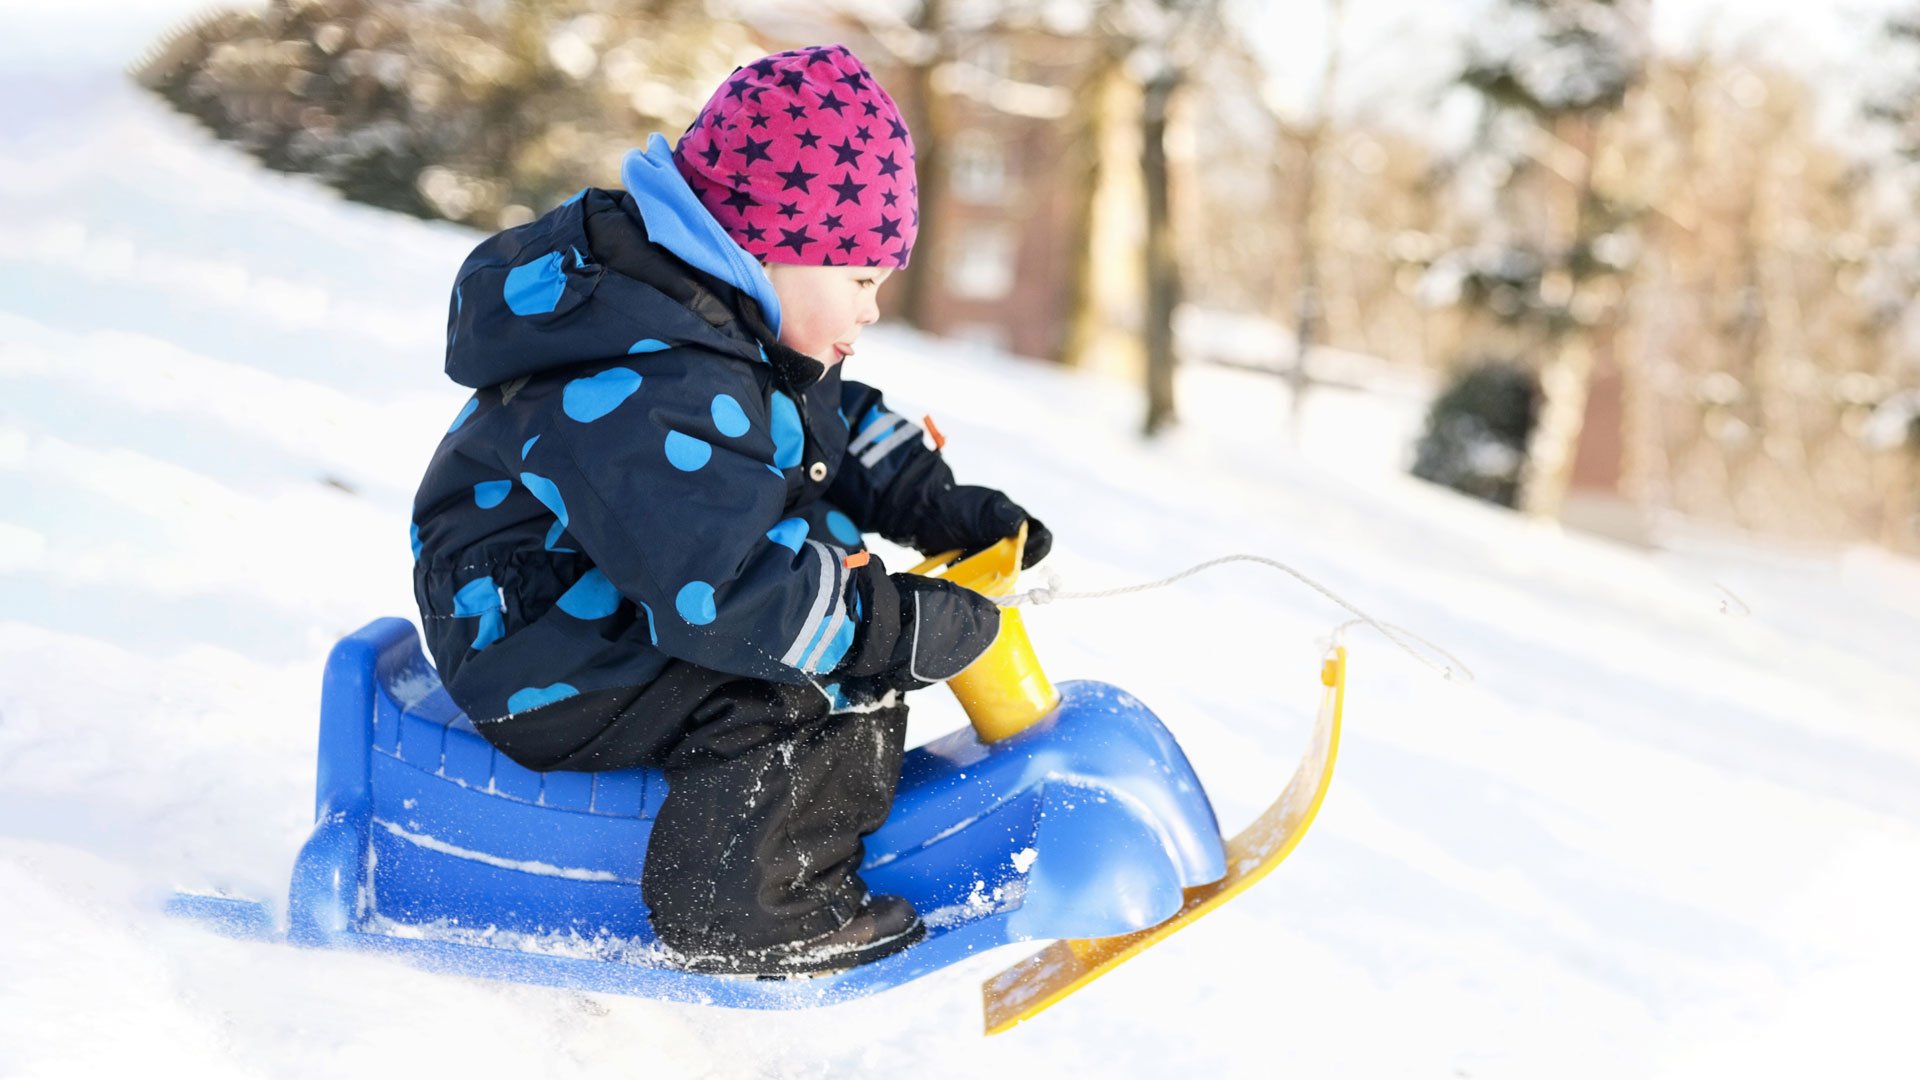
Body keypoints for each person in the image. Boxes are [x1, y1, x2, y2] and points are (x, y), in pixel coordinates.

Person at [408, 43, 1049, 976]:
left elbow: (828, 423)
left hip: (620, 592)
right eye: (860, 278)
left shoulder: (722, 323)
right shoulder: (650, 376)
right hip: (539, 642)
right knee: (813, 679)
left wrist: (938, 505)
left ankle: (788, 850)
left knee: (830, 602)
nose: (872, 309)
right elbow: (727, 596)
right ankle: (745, 909)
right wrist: (897, 631)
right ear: (766, 245)